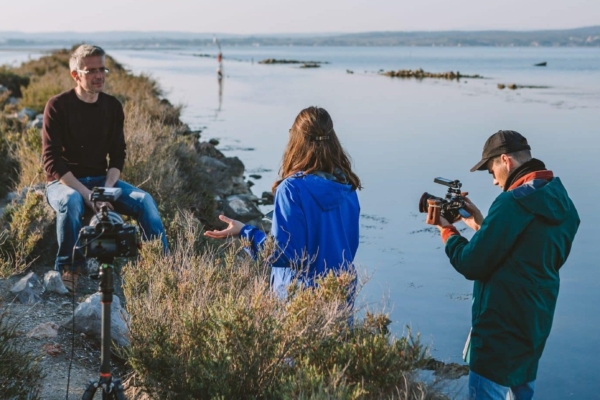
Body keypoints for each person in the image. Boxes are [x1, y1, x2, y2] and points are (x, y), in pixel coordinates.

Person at [426, 130, 579, 400]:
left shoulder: (510, 203)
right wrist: (482, 225)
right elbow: (532, 254)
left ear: (505, 160)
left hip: (499, 334)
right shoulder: (561, 200)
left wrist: (447, 230)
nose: (495, 182)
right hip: (534, 326)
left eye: (491, 170)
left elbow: (471, 264)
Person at [42, 44, 168, 291]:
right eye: (91, 71)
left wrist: (106, 191)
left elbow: (118, 155)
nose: (99, 76)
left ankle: (161, 267)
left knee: (145, 201)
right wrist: (89, 196)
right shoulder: (57, 106)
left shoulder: (112, 106)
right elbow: (52, 161)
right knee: (72, 201)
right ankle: (68, 267)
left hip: (102, 179)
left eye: (102, 69)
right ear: (75, 75)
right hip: (63, 183)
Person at [204, 106, 361, 305]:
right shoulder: (347, 185)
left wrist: (245, 232)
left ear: (297, 140)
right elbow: (349, 247)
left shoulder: (292, 189)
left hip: (300, 302)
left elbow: (283, 254)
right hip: (339, 295)